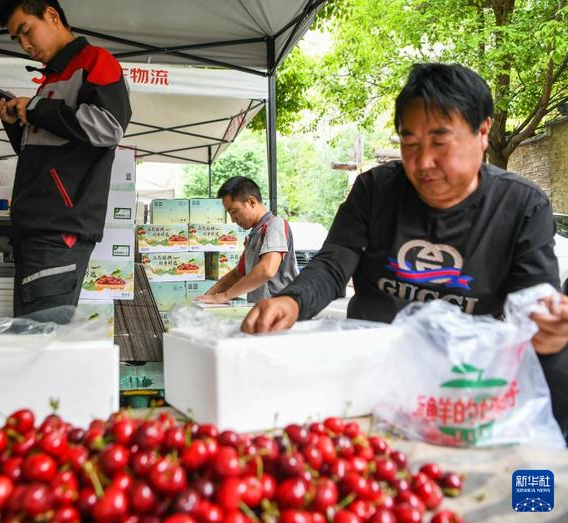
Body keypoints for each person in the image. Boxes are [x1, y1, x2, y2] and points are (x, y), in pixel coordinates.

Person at [241, 63, 568, 440]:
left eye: (440, 143)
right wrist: (292, 301)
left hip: (466, 387)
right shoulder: (375, 191)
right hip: (376, 376)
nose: (423, 162)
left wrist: (549, 331)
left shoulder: (523, 205)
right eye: (409, 144)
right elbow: (334, 264)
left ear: (483, 132)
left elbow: (534, 301)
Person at [0, 0, 131, 316]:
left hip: (58, 227)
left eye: (27, 31)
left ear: (52, 16)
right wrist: (17, 123)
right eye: (16, 39)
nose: (25, 44)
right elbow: (48, 151)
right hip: (40, 225)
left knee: (41, 340)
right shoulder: (52, 79)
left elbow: (110, 127)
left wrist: (38, 110)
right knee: (37, 336)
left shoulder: (95, 61)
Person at [196, 176, 298, 304]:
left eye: (233, 211)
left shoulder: (275, 224)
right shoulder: (254, 235)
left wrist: (224, 296)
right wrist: (207, 297)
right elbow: (237, 274)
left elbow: (267, 270)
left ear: (251, 202)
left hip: (279, 310)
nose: (233, 219)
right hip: (261, 311)